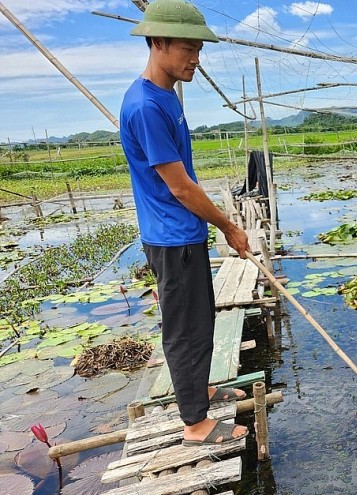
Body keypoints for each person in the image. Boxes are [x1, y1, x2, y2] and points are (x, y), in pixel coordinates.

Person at [120, 0, 249, 446]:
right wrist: (228, 226)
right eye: (188, 48)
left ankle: (200, 390)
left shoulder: (166, 95)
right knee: (183, 329)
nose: (196, 58)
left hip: (183, 234)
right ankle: (194, 422)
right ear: (157, 43)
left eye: (199, 49)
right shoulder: (145, 106)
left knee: (200, 321)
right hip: (172, 238)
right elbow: (180, 187)